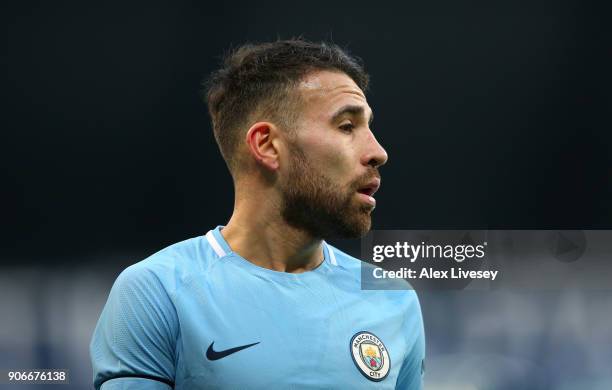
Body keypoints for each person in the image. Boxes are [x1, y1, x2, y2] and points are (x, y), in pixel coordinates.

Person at [90, 39, 425, 389]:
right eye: (346, 126)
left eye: (369, 126)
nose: (378, 152)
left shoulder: (392, 300)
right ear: (266, 145)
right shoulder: (158, 292)